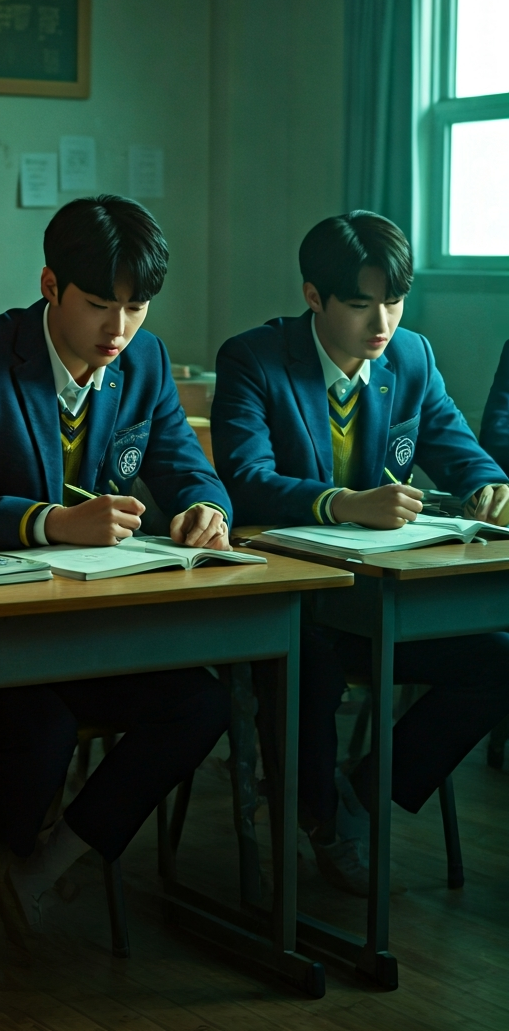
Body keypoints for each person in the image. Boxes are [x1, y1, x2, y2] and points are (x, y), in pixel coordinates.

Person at [0, 194, 233, 928]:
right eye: (99, 305)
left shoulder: (143, 359)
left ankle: (45, 863)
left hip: (98, 629)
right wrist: (49, 523)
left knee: (203, 703)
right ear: (50, 286)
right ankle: (1, 858)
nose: (119, 329)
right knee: (42, 732)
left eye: (136, 307)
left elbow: (187, 469)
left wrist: (207, 509)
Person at [212, 210, 509, 896]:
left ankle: (358, 795)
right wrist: (344, 503)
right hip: (289, 600)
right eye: (360, 303)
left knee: (499, 657)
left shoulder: (411, 356)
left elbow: (456, 445)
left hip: (378, 600)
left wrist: (488, 485)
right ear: (313, 297)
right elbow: (247, 479)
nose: (383, 322)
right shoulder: (255, 358)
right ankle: (323, 818)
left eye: (395, 301)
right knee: (310, 667)